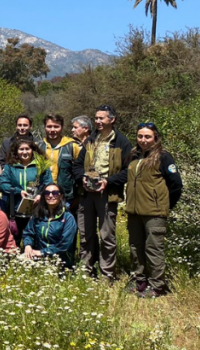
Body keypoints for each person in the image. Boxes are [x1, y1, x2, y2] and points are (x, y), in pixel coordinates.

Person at [124, 123, 183, 298]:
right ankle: (139, 281)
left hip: (154, 213)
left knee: (153, 249)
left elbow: (176, 185)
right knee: (135, 248)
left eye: (147, 136)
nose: (143, 140)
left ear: (155, 138)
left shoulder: (163, 157)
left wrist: (164, 205)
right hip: (134, 212)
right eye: (140, 136)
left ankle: (157, 286)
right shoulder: (133, 156)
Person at [77, 104, 132, 282]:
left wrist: (108, 182)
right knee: (86, 234)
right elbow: (77, 166)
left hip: (108, 194)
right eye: (96, 118)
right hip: (87, 194)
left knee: (107, 235)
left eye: (102, 118)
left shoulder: (122, 142)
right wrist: (83, 178)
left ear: (112, 119)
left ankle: (107, 274)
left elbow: (127, 171)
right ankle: (86, 270)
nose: (98, 121)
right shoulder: (91, 140)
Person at [0, 139, 52, 245]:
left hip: (36, 209)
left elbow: (49, 183)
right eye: (21, 149)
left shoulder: (41, 165)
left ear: (32, 150)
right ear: (16, 151)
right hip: (15, 210)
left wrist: (41, 195)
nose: (24, 152)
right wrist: (18, 191)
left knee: (36, 239)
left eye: (27, 149)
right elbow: (3, 184)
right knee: (14, 240)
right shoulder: (10, 166)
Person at [22, 184, 77, 268]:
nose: (50, 196)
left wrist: (42, 252)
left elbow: (65, 244)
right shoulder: (38, 215)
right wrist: (28, 245)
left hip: (61, 262)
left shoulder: (68, 218)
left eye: (55, 193)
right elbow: (28, 232)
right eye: (47, 193)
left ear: (61, 196)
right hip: (40, 259)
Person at [39, 114, 82, 209]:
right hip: (44, 195)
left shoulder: (72, 146)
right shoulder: (38, 147)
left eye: (56, 126)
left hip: (66, 197)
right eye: (49, 126)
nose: (52, 130)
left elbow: (81, 170)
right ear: (45, 127)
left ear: (62, 128)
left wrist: (79, 194)